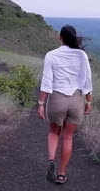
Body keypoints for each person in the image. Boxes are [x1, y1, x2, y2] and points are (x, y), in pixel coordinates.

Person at [37, 24, 93, 184]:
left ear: (60, 37)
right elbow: (87, 81)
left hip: (56, 100)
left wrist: (41, 103)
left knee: (54, 133)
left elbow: (47, 82)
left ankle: (51, 160)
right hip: (75, 100)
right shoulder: (81, 55)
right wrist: (88, 101)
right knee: (67, 137)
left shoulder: (51, 55)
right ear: (74, 38)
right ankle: (61, 173)